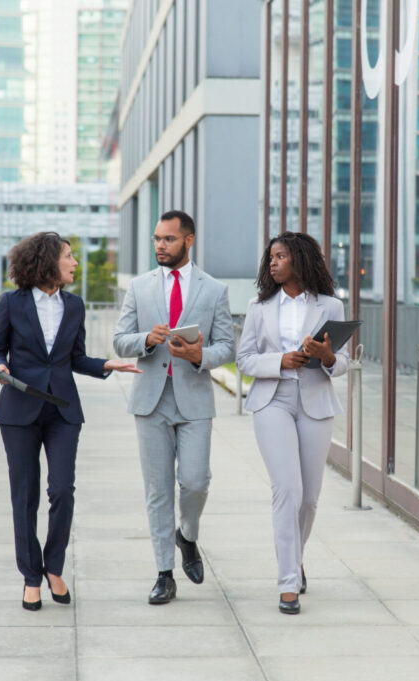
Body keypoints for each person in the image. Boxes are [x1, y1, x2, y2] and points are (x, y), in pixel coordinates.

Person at [0, 231, 139, 611]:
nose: (74, 263)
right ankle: (30, 577)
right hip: (19, 409)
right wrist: (0, 367)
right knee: (25, 496)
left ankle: (54, 566)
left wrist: (108, 364)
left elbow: (75, 358)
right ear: (47, 262)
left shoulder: (74, 305)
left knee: (62, 490)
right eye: (68, 257)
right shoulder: (11, 303)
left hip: (62, 411)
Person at [113, 210, 235, 604]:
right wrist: (146, 339)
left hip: (195, 398)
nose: (160, 246)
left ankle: (188, 535)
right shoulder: (139, 287)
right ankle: (164, 572)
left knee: (196, 482)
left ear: (189, 240)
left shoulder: (214, 290)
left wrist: (201, 355)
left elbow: (227, 348)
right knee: (158, 490)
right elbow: (120, 340)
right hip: (150, 400)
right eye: (156, 239)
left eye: (168, 239)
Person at [236, 232, 350, 615]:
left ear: (299, 260)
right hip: (273, 400)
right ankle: (288, 583)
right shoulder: (259, 306)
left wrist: (327, 356)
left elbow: (345, 362)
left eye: (280, 256)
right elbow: (245, 359)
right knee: (287, 489)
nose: (272, 263)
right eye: (270, 257)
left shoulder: (331, 306)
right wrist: (280, 361)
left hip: (316, 400)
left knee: (311, 496)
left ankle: (295, 557)